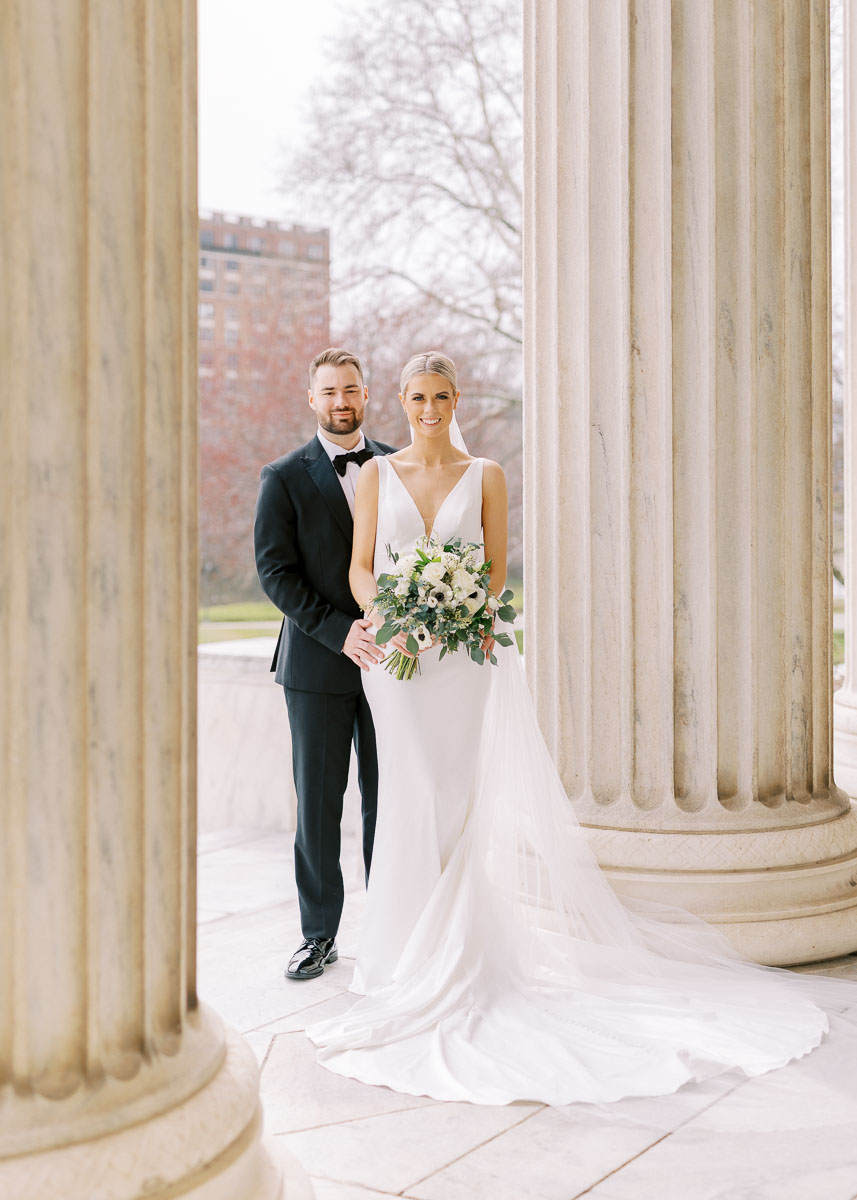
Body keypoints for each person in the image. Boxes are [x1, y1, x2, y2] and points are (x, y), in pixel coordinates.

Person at [306, 351, 857, 1108]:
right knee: (406, 794)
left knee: (458, 797)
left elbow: (496, 571)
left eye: (440, 396)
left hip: (465, 658)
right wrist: (392, 615)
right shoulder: (376, 475)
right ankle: (399, 960)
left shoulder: (486, 474)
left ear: (454, 398)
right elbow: (362, 568)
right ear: (398, 401)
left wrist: (457, 606)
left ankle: (460, 957)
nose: (428, 408)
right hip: (398, 662)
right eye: (416, 397)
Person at [254, 348, 395, 981]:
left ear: (367, 396)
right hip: (316, 668)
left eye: (351, 390)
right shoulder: (283, 476)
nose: (341, 401)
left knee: (389, 802)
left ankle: (394, 928)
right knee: (317, 804)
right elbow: (275, 572)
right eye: (329, 391)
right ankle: (319, 935)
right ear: (312, 400)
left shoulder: (398, 466)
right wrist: (340, 633)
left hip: (394, 664)